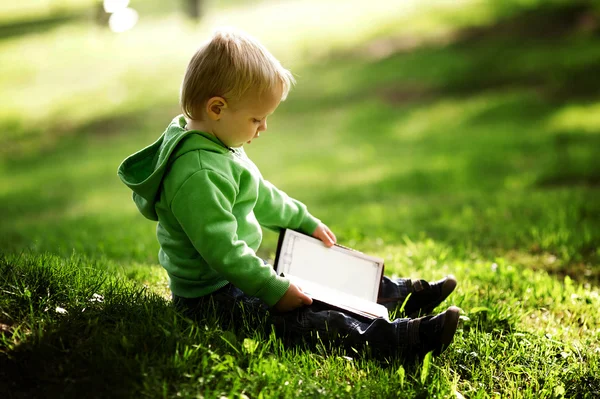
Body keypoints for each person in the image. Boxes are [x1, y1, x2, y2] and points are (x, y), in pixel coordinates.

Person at [118, 28, 459, 359]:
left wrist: (301, 220)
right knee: (302, 318)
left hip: (234, 276)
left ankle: (397, 295)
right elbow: (222, 252)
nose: (263, 128)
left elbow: (260, 195)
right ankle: (396, 340)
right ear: (217, 109)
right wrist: (273, 290)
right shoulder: (197, 173)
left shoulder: (217, 144)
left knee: (320, 274)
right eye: (256, 118)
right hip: (212, 297)